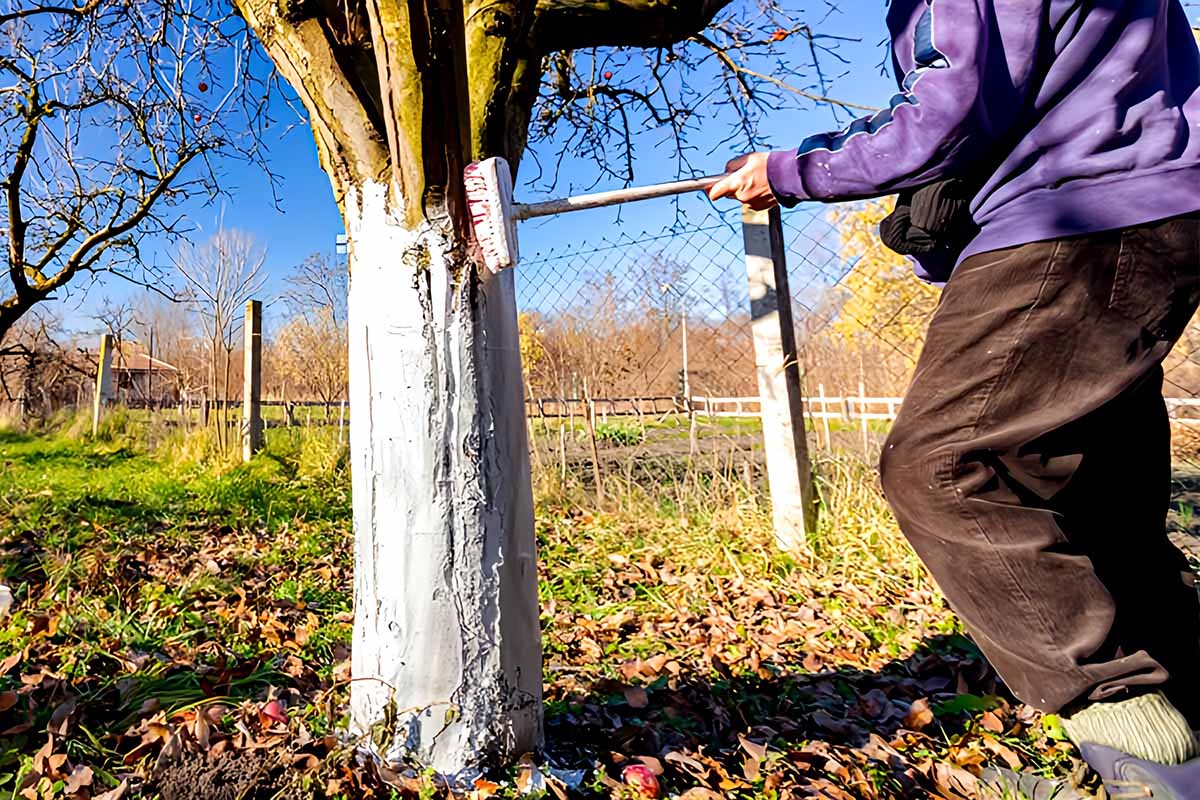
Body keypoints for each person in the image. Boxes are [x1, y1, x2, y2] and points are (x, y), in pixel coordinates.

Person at [708, 1, 1200, 795]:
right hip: (1158, 207)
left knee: (942, 466)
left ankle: (1145, 750)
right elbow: (999, 90)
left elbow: (946, 106)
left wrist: (795, 173)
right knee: (1093, 501)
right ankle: (1186, 727)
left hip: (1072, 216)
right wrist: (812, 160)